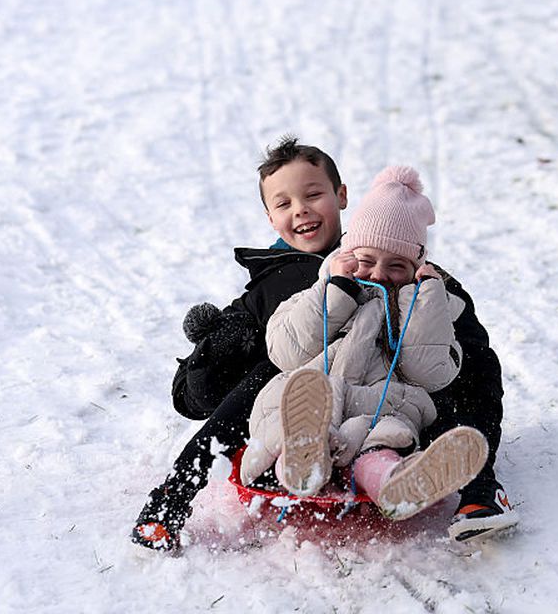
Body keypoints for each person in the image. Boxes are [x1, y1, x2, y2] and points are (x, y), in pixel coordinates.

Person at [131, 137, 516, 550]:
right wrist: (217, 346)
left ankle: (477, 490)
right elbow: (193, 398)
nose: (301, 209)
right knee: (269, 373)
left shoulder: (388, 250)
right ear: (269, 217)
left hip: (381, 406)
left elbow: (469, 357)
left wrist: (433, 298)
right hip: (301, 407)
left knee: (464, 365)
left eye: (313, 194)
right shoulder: (269, 286)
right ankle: (173, 495)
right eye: (284, 204)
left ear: (342, 196)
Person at [240, 165, 489, 520]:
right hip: (312, 395)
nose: (378, 273)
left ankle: (397, 484)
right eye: (366, 260)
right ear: (346, 254)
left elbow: (430, 374)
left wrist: (425, 299)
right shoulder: (322, 289)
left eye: (397, 266)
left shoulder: (427, 304)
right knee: (286, 419)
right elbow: (285, 351)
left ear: (417, 267)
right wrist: (334, 293)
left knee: (387, 438)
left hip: (382, 401)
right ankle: (301, 463)